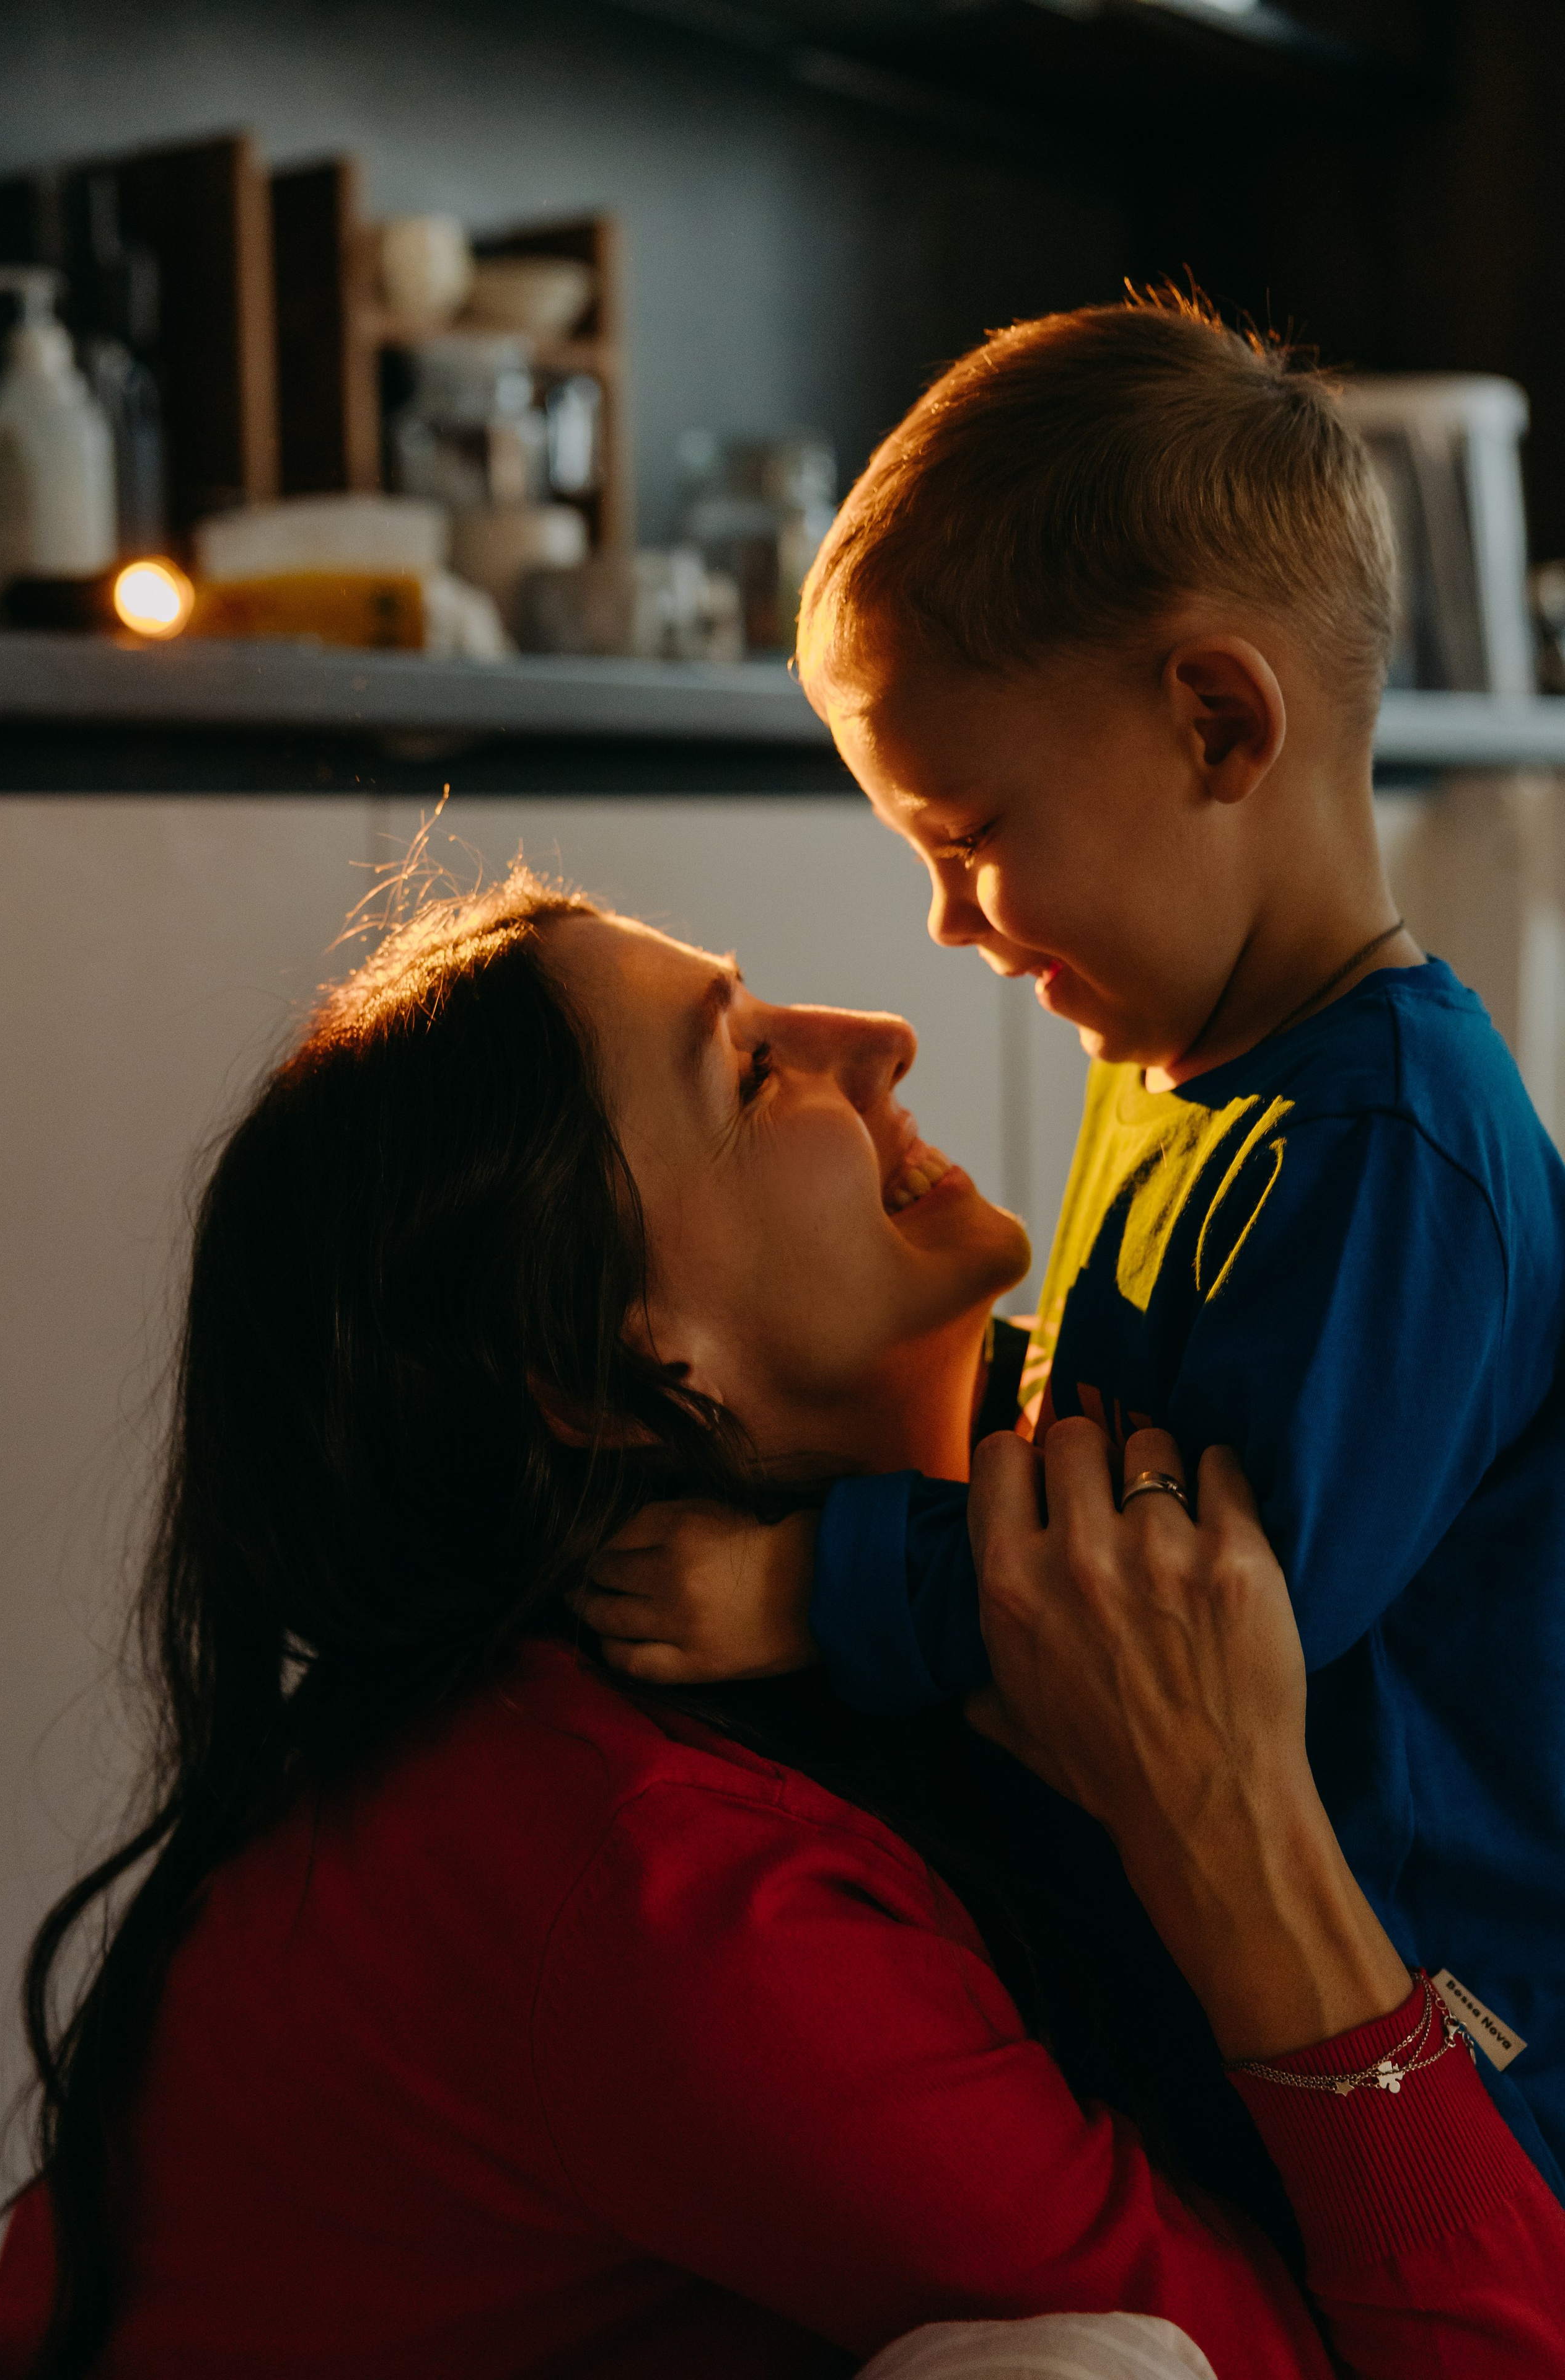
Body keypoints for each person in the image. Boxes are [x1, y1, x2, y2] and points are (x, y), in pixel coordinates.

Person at [0, 878, 1562, 2380]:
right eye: (747, 1075)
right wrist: (1229, 1822)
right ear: (611, 1372)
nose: (881, 1040)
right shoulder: (663, 1891)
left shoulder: (1080, 1502)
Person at [591, 292, 1565, 2199]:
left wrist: (813, 1588)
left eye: (967, 834)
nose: (950, 923)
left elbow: (1199, 1598)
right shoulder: (1193, 1063)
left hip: (1436, 2052)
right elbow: (1128, 1415)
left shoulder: (1389, 1147)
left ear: (1217, 722)